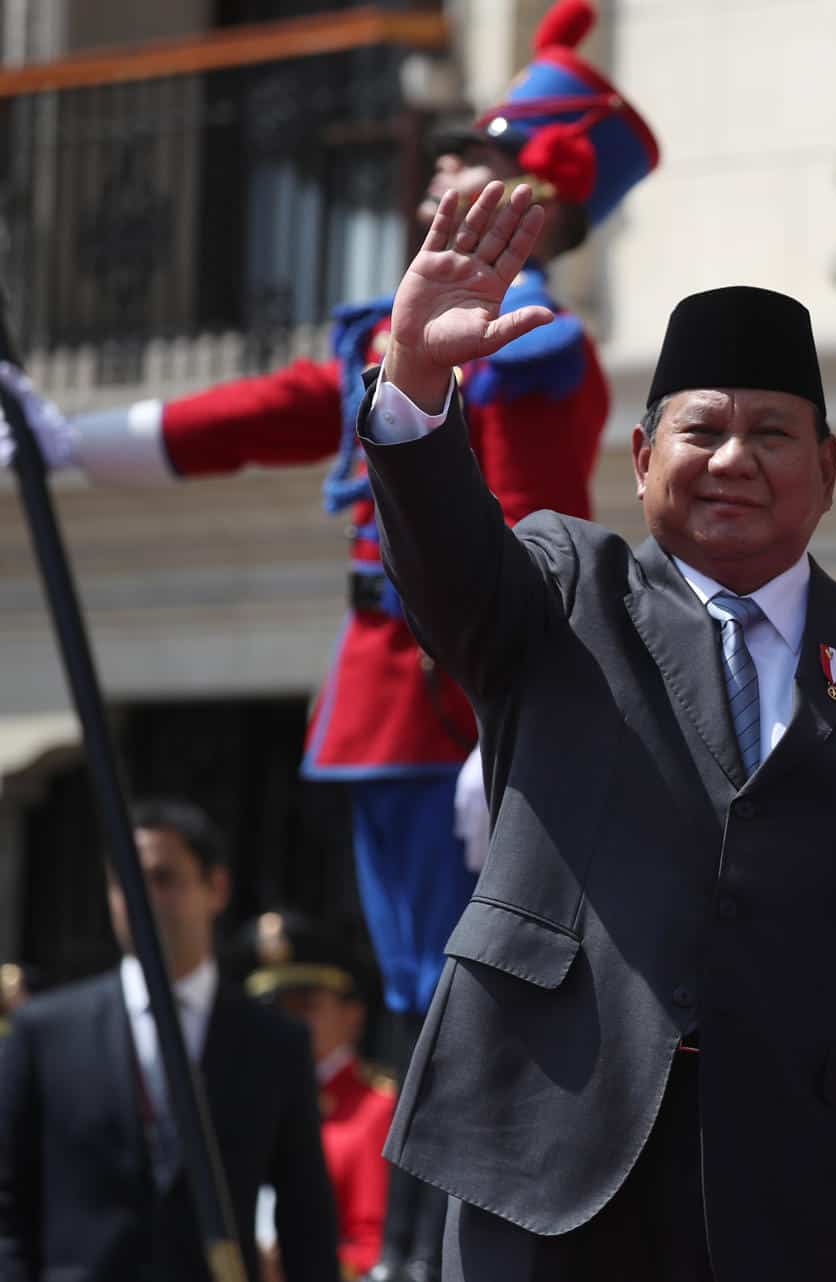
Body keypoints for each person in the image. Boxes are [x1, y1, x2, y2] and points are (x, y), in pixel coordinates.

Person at [0, 5, 658, 1275]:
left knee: (457, 988)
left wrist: (508, 727)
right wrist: (80, 442)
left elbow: (529, 532)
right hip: (382, 704)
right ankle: (421, 1242)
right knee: (413, 978)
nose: (440, 169)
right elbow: (279, 409)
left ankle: (438, 1243)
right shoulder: (386, 332)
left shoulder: (539, 347)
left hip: (453, 707)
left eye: (475, 155)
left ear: (542, 192)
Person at [346, 181, 836, 1282]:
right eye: (702, 429)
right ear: (640, 456)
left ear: (829, 466)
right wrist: (420, 377)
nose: (734, 459)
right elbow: (444, 561)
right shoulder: (565, 587)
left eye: (771, 431)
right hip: (550, 1146)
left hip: (799, 1174)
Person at [0, 799, 337, 1282]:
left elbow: (306, 1216)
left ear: (215, 888)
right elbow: (9, 1207)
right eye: (124, 882)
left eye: (163, 878)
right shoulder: (45, 1033)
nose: (141, 898)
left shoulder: (273, 1042)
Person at [232, 912, 396, 1281]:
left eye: (306, 1005)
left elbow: (374, 1249)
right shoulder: (246, 1102)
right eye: (274, 1008)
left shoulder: (376, 1110)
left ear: (353, 1015)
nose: (287, 1021)